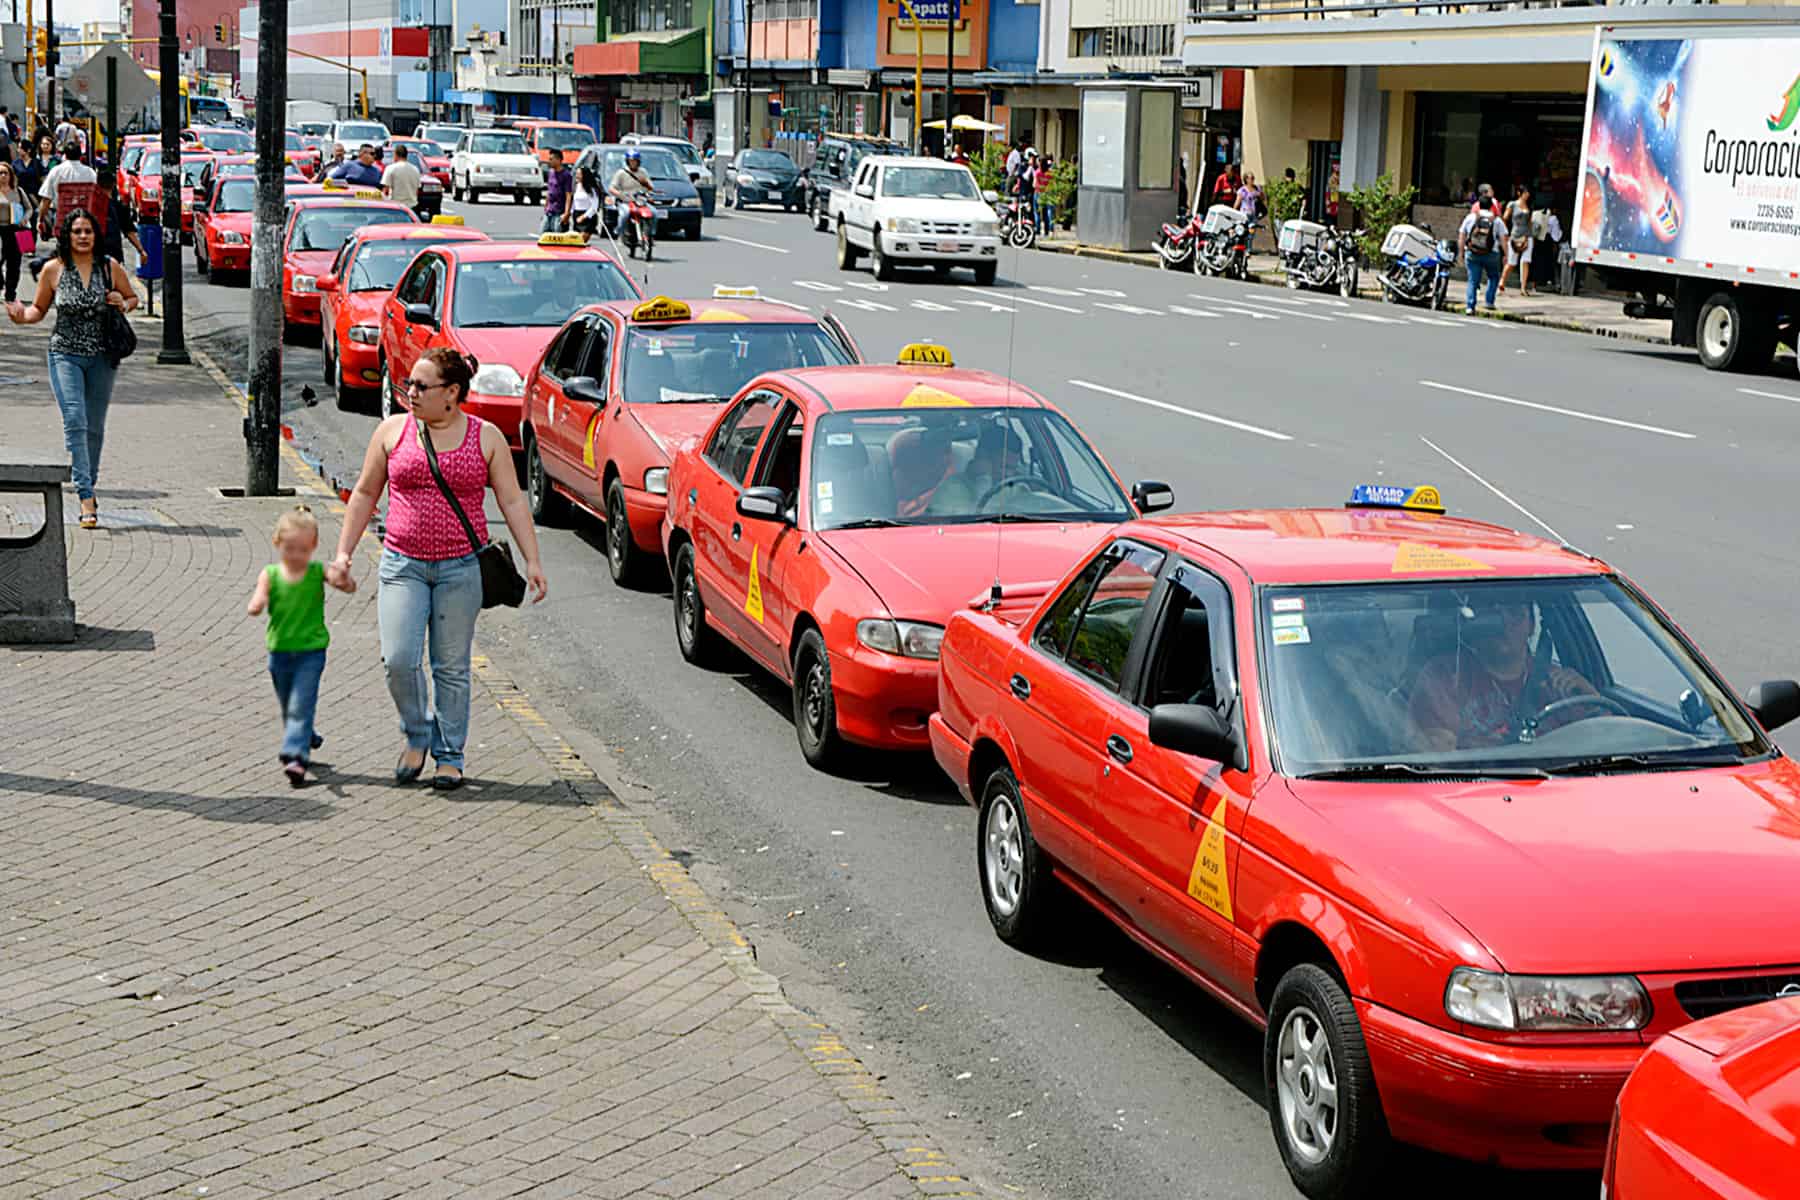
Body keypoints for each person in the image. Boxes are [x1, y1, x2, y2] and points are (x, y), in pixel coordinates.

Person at [326, 347, 547, 791]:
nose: (410, 392)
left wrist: (532, 560)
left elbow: (511, 500)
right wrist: (343, 553)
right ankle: (417, 733)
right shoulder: (392, 431)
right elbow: (366, 492)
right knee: (399, 659)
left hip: (460, 568)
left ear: (451, 393)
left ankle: (449, 756)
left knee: (451, 667)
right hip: (402, 564)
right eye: (409, 383)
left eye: (421, 386)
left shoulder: (485, 438)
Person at [5, 208, 139, 530]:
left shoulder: (109, 267)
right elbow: (38, 310)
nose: (82, 236)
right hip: (65, 355)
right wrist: (20, 317)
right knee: (75, 420)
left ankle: (88, 479)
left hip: (103, 357)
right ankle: (85, 496)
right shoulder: (53, 269)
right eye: (77, 231)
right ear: (66, 235)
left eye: (88, 231)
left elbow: (133, 298)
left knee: (95, 427)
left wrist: (123, 303)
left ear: (96, 236)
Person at [247, 504, 355, 786]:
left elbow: (345, 585)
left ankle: (295, 756)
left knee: (300, 703)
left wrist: (343, 576)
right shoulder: (270, 574)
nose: (296, 555)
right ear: (277, 543)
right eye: (290, 549)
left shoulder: (317, 571)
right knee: (289, 704)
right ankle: (306, 735)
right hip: (280, 652)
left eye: (303, 550)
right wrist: (257, 603)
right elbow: (259, 597)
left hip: (311, 652)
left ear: (313, 546)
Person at [1409, 598, 1599, 751]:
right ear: (1475, 623)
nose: (1504, 624)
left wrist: (1591, 697)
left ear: (1531, 625)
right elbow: (1438, 755)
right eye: (1492, 615)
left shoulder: (1558, 683)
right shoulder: (1446, 676)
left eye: (1515, 614)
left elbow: (1601, 740)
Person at [1460, 185, 1504, 314]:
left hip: (1472, 252)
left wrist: (1461, 252)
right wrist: (1506, 254)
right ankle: (1489, 302)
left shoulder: (1470, 217)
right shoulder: (1496, 220)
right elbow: (1503, 238)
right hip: (1492, 253)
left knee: (1473, 280)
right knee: (1493, 276)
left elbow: (1462, 235)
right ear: (1491, 206)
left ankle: (1470, 306)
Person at [39, 143, 96, 234]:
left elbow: (46, 198)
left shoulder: (56, 171)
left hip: (62, 220)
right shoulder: (90, 173)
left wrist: (40, 220)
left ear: (65, 155)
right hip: (84, 220)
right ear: (80, 156)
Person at [93, 170, 145, 266]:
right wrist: (141, 250)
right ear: (113, 185)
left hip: (95, 253)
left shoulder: (91, 206)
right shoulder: (118, 207)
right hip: (114, 253)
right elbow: (129, 231)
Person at [607, 149, 653, 239]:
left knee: (654, 213)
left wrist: (647, 188)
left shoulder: (643, 172)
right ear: (627, 162)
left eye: (635, 161)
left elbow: (650, 187)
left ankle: (650, 234)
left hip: (640, 201)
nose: (633, 163)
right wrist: (620, 194)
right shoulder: (621, 173)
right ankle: (619, 231)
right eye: (631, 161)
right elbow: (611, 188)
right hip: (626, 201)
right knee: (625, 214)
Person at [1499, 184, 1534, 297]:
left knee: (1525, 261)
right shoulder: (1512, 204)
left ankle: (1523, 287)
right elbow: (1505, 218)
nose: (1527, 195)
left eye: (1528, 193)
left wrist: (1530, 234)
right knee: (1511, 262)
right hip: (1515, 235)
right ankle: (1502, 282)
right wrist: (1506, 233)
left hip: (1527, 236)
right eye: (1525, 193)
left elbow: (1530, 222)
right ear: (1519, 193)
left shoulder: (1529, 206)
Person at [0, 162, 27, 303]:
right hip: (0, 231)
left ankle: (10, 293)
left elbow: (29, 208)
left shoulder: (18, 191)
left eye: (6, 173)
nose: (3, 175)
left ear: (11, 175)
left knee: (14, 264)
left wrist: (25, 218)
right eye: (0, 173)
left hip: (16, 230)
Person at [382, 141, 423, 213]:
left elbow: (386, 190)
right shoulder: (415, 169)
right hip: (412, 206)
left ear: (395, 155)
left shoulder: (390, 168)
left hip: (395, 206)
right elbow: (417, 190)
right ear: (406, 155)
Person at [542, 147, 573, 234]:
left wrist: (567, 213)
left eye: (551, 159)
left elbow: (568, 195)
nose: (549, 161)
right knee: (543, 235)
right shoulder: (551, 173)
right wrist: (545, 207)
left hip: (559, 212)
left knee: (557, 236)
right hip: (549, 211)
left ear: (558, 160)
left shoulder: (566, 175)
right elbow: (549, 191)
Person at [571, 164, 601, 240]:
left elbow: (594, 207)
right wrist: (571, 212)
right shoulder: (576, 186)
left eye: (579, 174)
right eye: (576, 174)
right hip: (577, 215)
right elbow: (574, 202)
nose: (577, 176)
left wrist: (583, 217)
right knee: (577, 241)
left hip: (587, 217)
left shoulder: (591, 189)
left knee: (581, 239)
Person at [1236, 170, 1263, 250]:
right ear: (1246, 179)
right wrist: (1233, 212)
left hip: (1254, 214)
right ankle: (1243, 248)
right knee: (1244, 231)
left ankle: (1249, 248)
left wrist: (1260, 194)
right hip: (1244, 214)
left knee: (1252, 232)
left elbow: (1263, 198)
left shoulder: (1257, 188)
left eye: (1253, 178)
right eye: (1251, 178)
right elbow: (1237, 202)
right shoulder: (1242, 190)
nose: (1253, 179)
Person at [1034, 154, 1055, 234]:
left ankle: (1038, 229)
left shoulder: (1037, 172)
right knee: (1047, 212)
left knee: (1037, 212)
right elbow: (1052, 184)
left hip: (1038, 193)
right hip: (1047, 194)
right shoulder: (1050, 173)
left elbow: (1034, 184)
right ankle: (1048, 229)